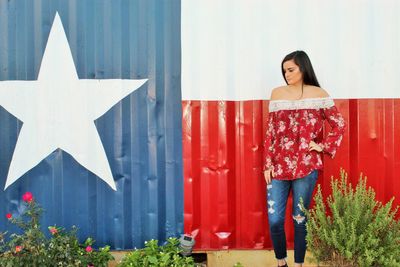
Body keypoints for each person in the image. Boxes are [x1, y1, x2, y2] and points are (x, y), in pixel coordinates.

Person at [263, 51, 346, 267]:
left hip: (306, 167)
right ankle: (282, 262)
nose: (286, 74)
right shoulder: (277, 93)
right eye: (284, 71)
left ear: (303, 67)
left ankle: (299, 264)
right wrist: (267, 165)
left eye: (291, 70)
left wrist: (322, 146)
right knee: (275, 220)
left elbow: (339, 124)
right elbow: (271, 132)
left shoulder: (319, 94)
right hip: (278, 168)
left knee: (300, 219)